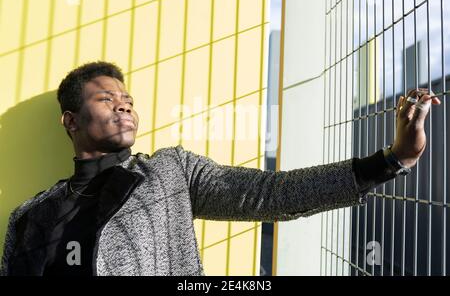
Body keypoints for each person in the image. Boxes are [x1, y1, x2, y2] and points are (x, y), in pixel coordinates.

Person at [0, 61, 440, 276]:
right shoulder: (30, 218)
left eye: (128, 100)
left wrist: (391, 160)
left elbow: (273, 194)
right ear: (71, 121)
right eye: (106, 99)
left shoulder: (171, 173)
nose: (124, 105)